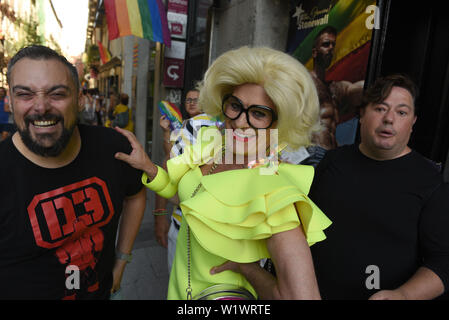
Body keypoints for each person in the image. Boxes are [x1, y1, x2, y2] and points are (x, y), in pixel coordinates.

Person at [115, 46, 332, 300]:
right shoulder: (214, 148)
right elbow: (188, 195)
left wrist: (247, 269)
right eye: (235, 106)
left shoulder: (272, 188)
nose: (240, 121)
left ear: (278, 122)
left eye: (259, 114)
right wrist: (148, 168)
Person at [0, 45, 146, 299]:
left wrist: (122, 261)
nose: (42, 106)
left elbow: (135, 193)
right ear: (9, 102)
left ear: (79, 99)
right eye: (25, 94)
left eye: (57, 94)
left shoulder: (114, 147)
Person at [309, 74, 449, 299]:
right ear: (362, 114)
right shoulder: (331, 163)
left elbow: (443, 262)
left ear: (412, 122)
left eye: (401, 112)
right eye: (380, 108)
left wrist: (403, 295)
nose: (389, 119)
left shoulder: (429, 181)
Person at [155, 88, 218, 273]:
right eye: (188, 99)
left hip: (185, 220)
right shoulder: (211, 125)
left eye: (195, 99)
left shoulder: (192, 125)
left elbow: (169, 163)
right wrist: (167, 132)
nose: (191, 102)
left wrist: (159, 214)